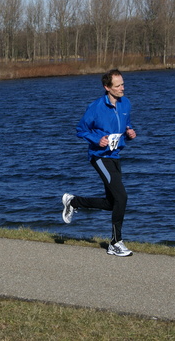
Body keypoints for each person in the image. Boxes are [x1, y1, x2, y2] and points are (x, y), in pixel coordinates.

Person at [62, 69, 137, 257]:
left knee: (113, 203)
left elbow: (125, 124)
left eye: (123, 84)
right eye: (118, 85)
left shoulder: (125, 103)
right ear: (107, 87)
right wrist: (97, 140)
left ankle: (74, 201)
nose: (122, 88)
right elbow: (80, 129)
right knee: (122, 197)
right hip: (99, 157)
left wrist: (130, 132)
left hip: (115, 156)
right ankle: (115, 242)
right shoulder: (95, 107)